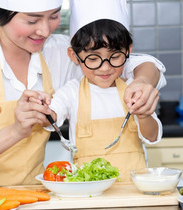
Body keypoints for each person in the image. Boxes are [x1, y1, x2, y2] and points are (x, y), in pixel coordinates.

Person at [0, 0, 166, 190]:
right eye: (32, 20)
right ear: (1, 15)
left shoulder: (58, 51)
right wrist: (16, 131)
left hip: (32, 203)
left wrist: (143, 82)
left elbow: (132, 63)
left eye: (53, 16)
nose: (45, 30)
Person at [36, 0, 162, 181]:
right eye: (93, 59)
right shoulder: (72, 92)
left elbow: (152, 136)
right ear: (74, 56)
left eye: (116, 57)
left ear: (128, 51)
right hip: (87, 193)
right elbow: (51, 116)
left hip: (133, 192)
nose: (105, 68)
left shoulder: (133, 89)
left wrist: (143, 115)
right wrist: (42, 108)